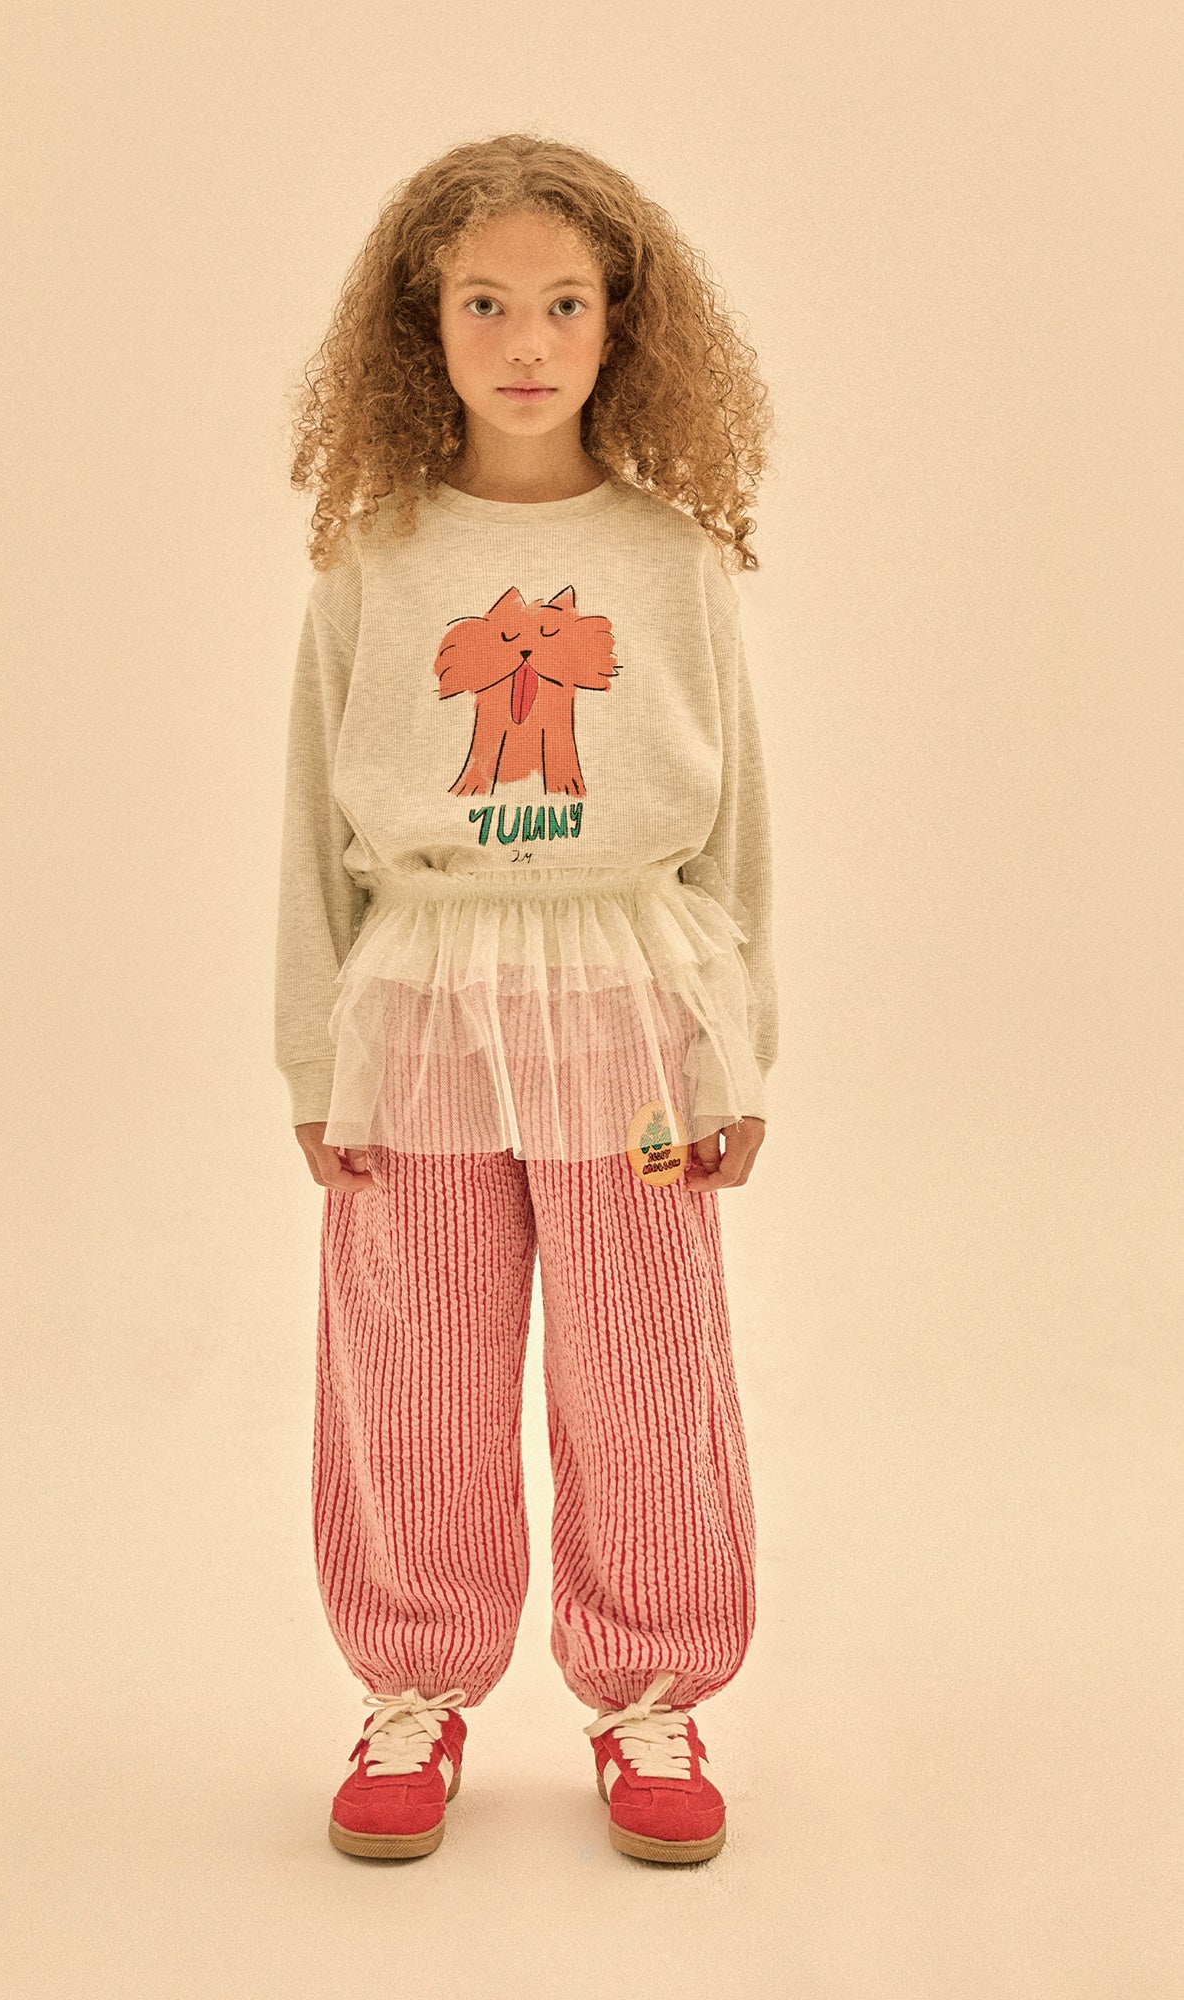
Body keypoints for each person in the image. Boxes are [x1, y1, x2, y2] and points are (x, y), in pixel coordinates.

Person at [275, 133, 779, 1865]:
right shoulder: (372, 556)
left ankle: (651, 1698)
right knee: (412, 1358)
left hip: (626, 1014)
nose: (524, 340)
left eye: (564, 303)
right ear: (420, 326)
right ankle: (412, 1686)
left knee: (644, 1357)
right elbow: (310, 831)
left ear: (622, 323)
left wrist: (739, 1052)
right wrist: (311, 1058)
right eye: (483, 303)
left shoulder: (672, 557)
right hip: (418, 1014)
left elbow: (739, 828)